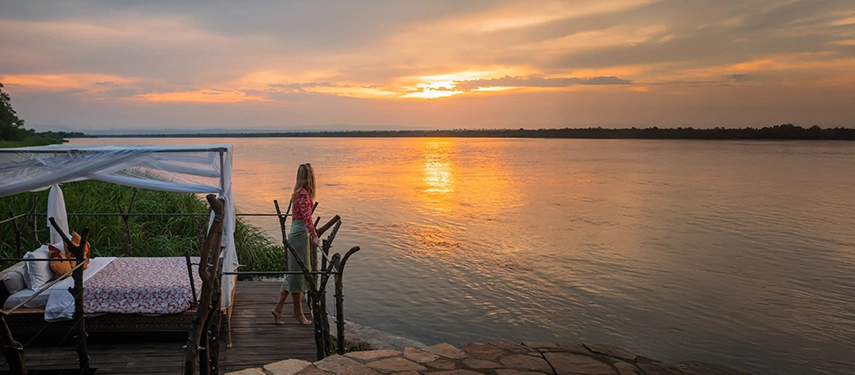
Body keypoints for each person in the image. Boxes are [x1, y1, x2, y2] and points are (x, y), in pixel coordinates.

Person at [271, 163, 319, 325]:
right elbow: (307, 217)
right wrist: (314, 236)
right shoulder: (303, 194)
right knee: (298, 274)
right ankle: (297, 313)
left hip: (297, 232)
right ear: (311, 177)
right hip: (299, 235)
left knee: (295, 273)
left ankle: (279, 309)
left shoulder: (297, 193)